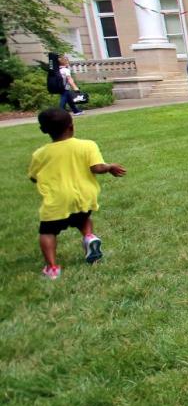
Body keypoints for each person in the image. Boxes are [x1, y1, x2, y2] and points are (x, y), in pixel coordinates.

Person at [27, 108, 126, 279]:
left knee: (48, 232)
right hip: (84, 196)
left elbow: (34, 178)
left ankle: (52, 268)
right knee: (83, 218)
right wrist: (110, 167)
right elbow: (97, 168)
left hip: (57, 200)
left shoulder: (40, 154)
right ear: (71, 127)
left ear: (43, 130)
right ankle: (89, 237)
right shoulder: (87, 145)